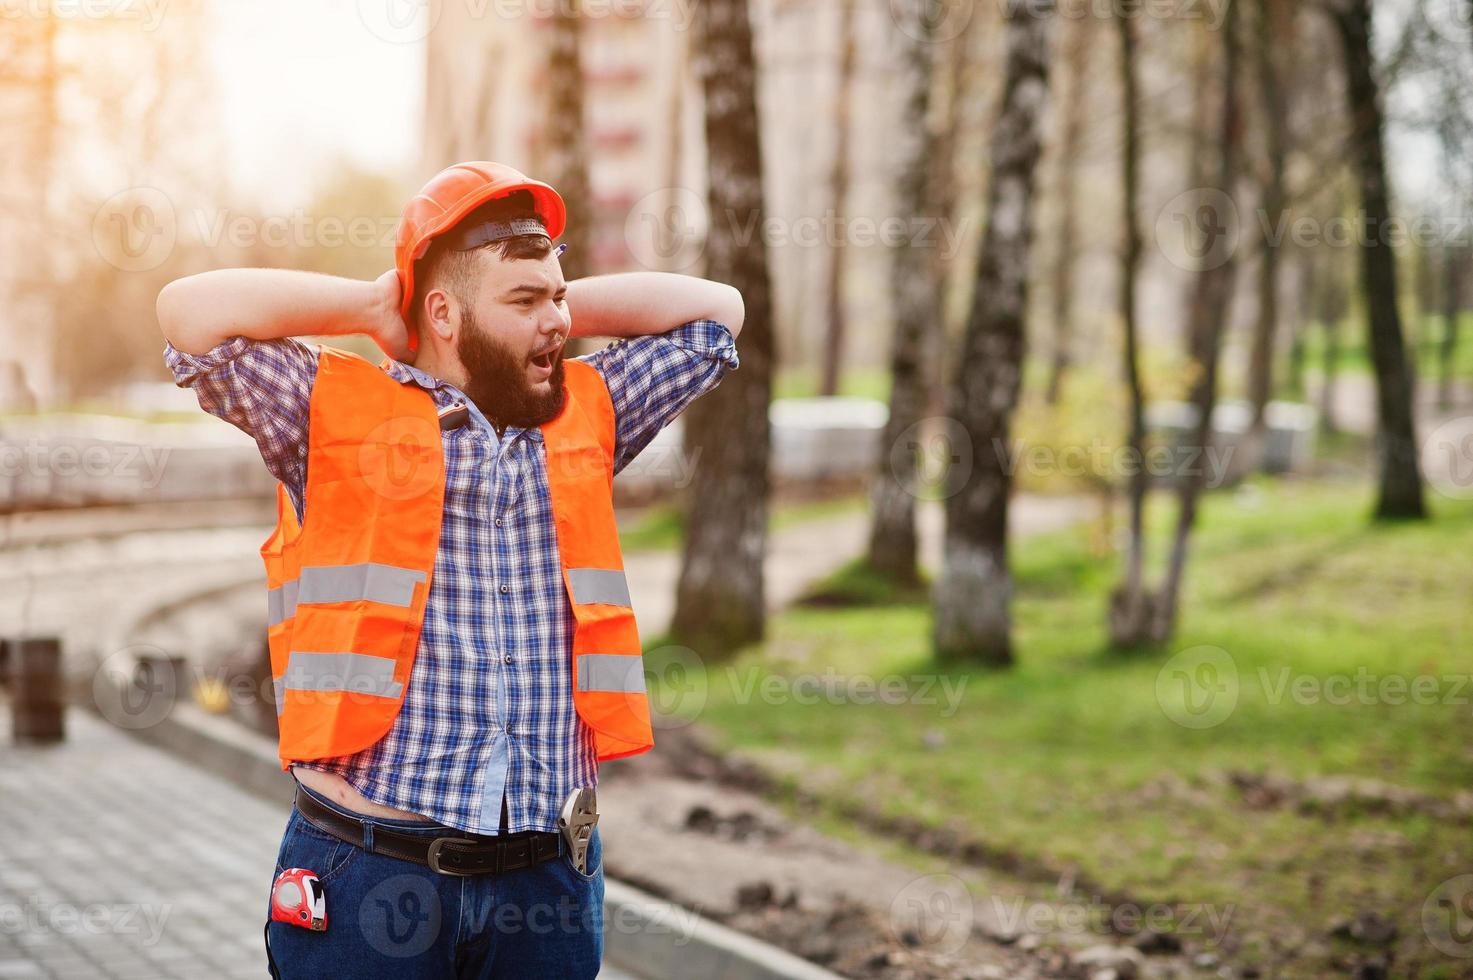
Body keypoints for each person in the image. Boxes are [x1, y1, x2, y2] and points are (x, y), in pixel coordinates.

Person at [156, 162, 743, 978]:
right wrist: (374, 305)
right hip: (370, 879)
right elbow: (190, 315)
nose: (557, 326)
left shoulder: (586, 410)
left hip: (544, 888)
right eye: (526, 303)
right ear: (442, 312)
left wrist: (542, 301)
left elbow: (717, 315)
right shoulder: (330, 412)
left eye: (558, 299)